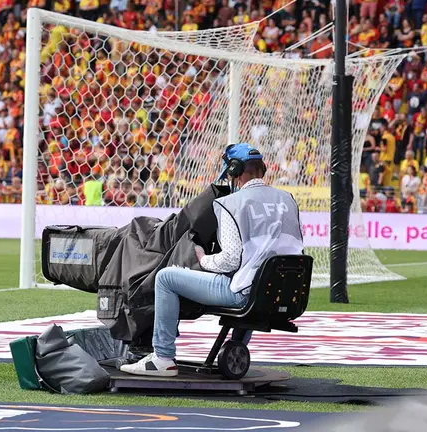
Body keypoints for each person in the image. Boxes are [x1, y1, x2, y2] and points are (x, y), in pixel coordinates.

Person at [120, 144, 304, 377]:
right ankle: (238, 348)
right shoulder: (288, 199)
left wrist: (204, 259)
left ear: (234, 170)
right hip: (284, 294)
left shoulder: (230, 204)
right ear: (262, 168)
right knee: (251, 278)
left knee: (165, 278)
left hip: (246, 294)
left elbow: (229, 260)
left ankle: (162, 358)